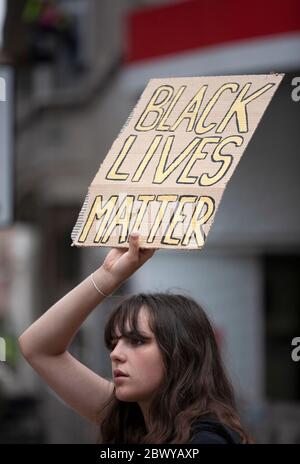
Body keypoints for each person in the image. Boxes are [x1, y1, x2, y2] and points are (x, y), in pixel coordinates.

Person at [18, 232, 251, 444]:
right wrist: (107, 275)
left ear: (182, 353)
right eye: (113, 342)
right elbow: (36, 347)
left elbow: (39, 350)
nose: (116, 354)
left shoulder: (205, 440)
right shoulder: (131, 417)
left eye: (137, 341)